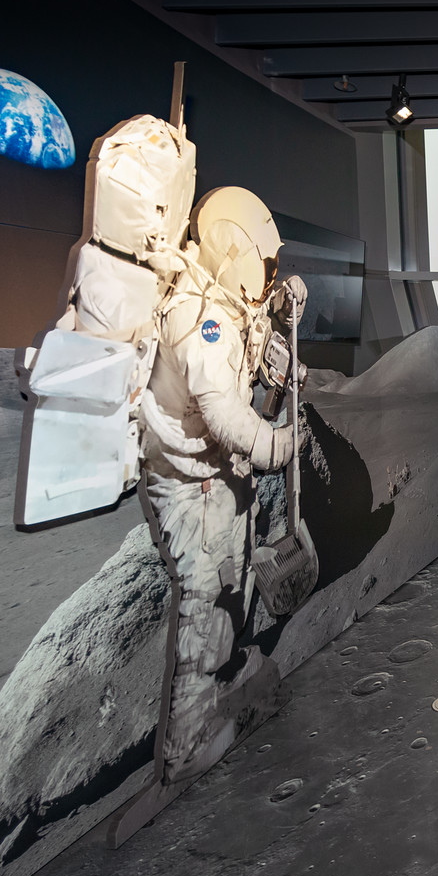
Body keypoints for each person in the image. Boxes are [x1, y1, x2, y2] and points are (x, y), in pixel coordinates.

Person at [139, 185, 306, 783]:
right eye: (266, 265)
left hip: (216, 476)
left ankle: (222, 684)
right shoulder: (201, 318)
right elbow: (225, 415)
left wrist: (283, 307)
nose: (269, 275)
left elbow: (256, 340)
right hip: (188, 482)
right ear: (234, 253)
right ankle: (184, 744)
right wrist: (276, 445)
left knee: (232, 581)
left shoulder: (226, 306)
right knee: (204, 592)